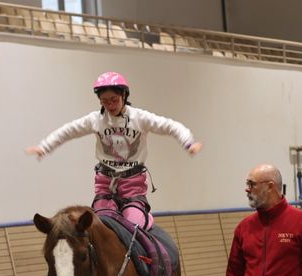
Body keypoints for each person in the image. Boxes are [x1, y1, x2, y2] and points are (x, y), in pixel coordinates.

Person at [25, 71, 202, 229]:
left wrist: (188, 142)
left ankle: (144, 217)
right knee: (102, 224)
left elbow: (170, 126)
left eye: (114, 100)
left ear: (124, 95)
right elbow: (68, 131)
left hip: (133, 183)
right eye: (105, 101)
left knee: (134, 225)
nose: (110, 105)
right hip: (105, 182)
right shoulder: (95, 120)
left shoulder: (140, 118)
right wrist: (44, 147)